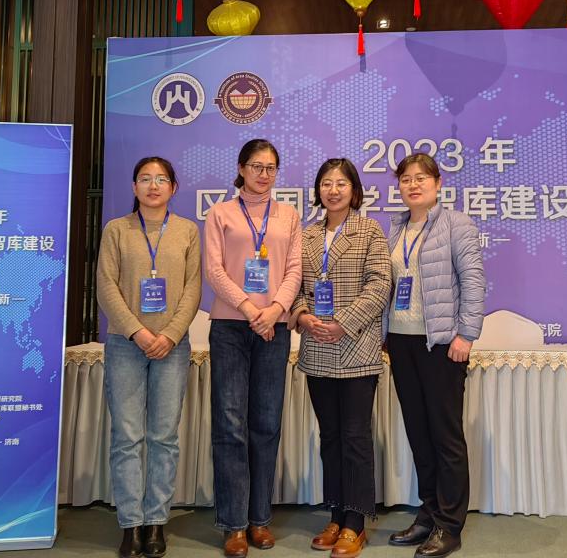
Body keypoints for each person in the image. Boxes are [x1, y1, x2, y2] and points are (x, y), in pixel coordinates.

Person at [96, 156, 202, 558]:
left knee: (164, 437)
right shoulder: (116, 229)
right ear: (134, 186)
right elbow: (106, 286)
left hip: (172, 347)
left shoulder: (187, 230)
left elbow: (193, 288)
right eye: (145, 178)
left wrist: (170, 334)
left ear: (173, 187)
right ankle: (130, 524)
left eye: (161, 179)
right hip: (125, 343)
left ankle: (156, 521)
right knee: (127, 437)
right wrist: (138, 332)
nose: (153, 186)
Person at [204, 139, 303, 558]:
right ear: (242, 168)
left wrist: (276, 309)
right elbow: (214, 269)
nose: (264, 174)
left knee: (265, 423)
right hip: (230, 326)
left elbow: (295, 269)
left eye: (271, 167)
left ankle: (259, 518)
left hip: (273, 329)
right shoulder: (220, 213)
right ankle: (233, 524)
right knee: (230, 426)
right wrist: (249, 308)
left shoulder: (289, 216)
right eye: (257, 166)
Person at [384, 154, 486, 558]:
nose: (413, 185)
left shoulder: (456, 224)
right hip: (401, 342)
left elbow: (473, 281)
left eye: (421, 178)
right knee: (419, 433)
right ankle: (427, 514)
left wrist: (466, 335)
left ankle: (449, 525)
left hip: (442, 344)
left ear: (438, 183)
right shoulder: (395, 228)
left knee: (445, 436)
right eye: (406, 179)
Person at [291, 159, 391, 558]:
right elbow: (294, 285)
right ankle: (335, 514)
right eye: (326, 184)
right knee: (329, 436)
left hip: (356, 347)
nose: (333, 190)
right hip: (316, 346)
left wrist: (343, 323)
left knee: (355, 437)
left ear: (354, 190)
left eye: (341, 183)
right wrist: (302, 315)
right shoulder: (307, 235)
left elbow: (380, 284)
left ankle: (356, 522)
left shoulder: (370, 230)